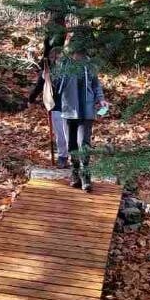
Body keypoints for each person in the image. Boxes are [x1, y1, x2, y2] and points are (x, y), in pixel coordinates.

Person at [55, 47, 108, 192]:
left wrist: (101, 99)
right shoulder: (64, 64)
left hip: (86, 111)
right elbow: (56, 85)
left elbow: (96, 84)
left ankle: (86, 176)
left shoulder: (90, 65)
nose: (80, 56)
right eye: (77, 53)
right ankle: (75, 173)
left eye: (82, 53)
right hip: (69, 110)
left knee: (83, 143)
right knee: (71, 143)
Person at [43, 44, 70, 168]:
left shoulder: (70, 71)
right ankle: (62, 157)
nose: (57, 61)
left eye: (59, 58)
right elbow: (43, 85)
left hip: (70, 107)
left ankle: (75, 157)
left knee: (70, 134)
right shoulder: (50, 71)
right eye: (55, 58)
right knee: (60, 134)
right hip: (56, 106)